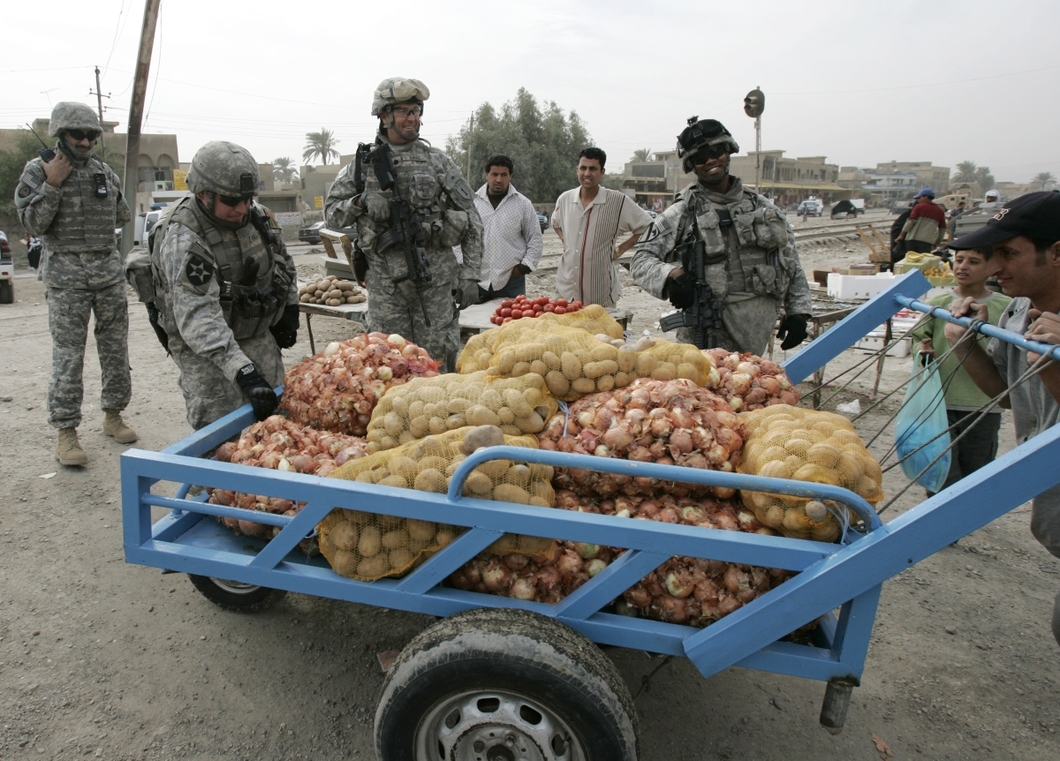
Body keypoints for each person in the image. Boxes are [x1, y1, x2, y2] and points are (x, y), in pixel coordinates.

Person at [941, 191, 1060, 646]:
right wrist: (963, 343)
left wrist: (1053, 360)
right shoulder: (1014, 312)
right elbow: (1006, 395)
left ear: (1056, 252)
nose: (994, 269)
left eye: (1008, 254)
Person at [325, 77, 483, 371]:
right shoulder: (361, 167)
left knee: (438, 365)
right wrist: (360, 201)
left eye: (416, 111)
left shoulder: (438, 162)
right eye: (404, 112)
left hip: (435, 287)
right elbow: (332, 214)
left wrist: (471, 275)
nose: (412, 118)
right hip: (387, 291)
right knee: (389, 365)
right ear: (384, 116)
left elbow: (472, 220)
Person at [14, 101, 136, 466]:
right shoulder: (38, 171)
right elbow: (33, 224)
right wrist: (53, 184)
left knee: (115, 349)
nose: (84, 142)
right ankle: (66, 433)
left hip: (107, 273)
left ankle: (113, 416)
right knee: (69, 356)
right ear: (60, 134)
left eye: (90, 135)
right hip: (66, 277)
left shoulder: (104, 172)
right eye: (77, 134)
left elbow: (122, 214)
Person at [630, 117, 812, 354]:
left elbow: (790, 261)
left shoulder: (763, 208)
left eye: (716, 152)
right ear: (692, 166)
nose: (710, 161)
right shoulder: (682, 212)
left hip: (754, 331)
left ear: (728, 151)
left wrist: (798, 312)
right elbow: (640, 260)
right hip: (703, 335)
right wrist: (672, 275)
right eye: (700, 158)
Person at [149, 141, 299, 430]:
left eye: (247, 199)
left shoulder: (257, 216)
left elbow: (283, 263)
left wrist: (289, 307)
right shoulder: (184, 239)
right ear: (204, 195)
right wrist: (243, 372)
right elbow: (198, 317)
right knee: (220, 438)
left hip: (255, 335)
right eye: (232, 201)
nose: (242, 209)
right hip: (206, 351)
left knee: (277, 426)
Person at [908, 248, 1011, 495]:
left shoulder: (1006, 307)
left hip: (983, 405)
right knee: (940, 470)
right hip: (939, 403)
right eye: (960, 260)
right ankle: (941, 524)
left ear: (991, 267)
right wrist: (922, 351)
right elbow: (918, 339)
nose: (963, 266)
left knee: (975, 469)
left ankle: (961, 516)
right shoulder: (938, 304)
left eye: (974, 261)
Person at [551, 147, 653, 308]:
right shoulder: (565, 199)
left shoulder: (617, 202)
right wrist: (566, 243)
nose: (587, 174)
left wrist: (620, 249)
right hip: (566, 292)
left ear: (602, 171)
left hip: (599, 293)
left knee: (601, 333)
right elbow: (555, 223)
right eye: (583, 168)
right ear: (577, 169)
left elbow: (647, 225)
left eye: (593, 169)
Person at [471, 154, 542, 303]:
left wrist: (522, 269)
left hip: (511, 281)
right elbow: (460, 238)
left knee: (511, 323)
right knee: (473, 322)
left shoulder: (523, 204)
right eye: (494, 174)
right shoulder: (473, 203)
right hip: (477, 280)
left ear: (510, 176)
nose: (498, 179)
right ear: (486, 174)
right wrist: (463, 268)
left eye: (504, 175)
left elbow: (535, 239)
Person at [896, 188, 946, 254]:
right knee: (923, 262)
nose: (918, 200)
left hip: (912, 240)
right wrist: (937, 242)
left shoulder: (919, 207)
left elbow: (911, 221)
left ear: (926, 197)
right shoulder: (940, 211)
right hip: (927, 242)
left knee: (911, 260)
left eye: (919, 197)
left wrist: (901, 235)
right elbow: (942, 229)